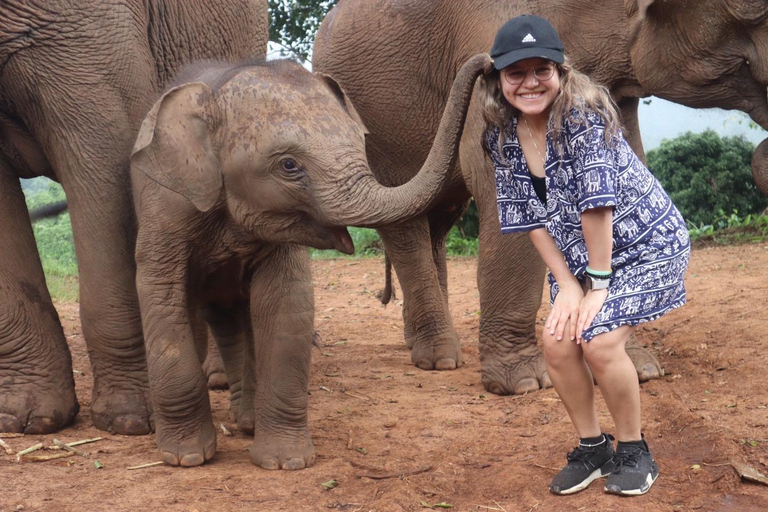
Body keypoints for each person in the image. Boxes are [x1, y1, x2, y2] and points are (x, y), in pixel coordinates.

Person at [479, 15, 690, 496]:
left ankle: (635, 451)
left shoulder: (582, 117)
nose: (530, 82)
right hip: (579, 260)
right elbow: (527, 217)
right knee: (556, 343)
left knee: (596, 340)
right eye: (517, 72)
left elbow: (597, 205)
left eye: (542, 70)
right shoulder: (502, 136)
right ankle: (593, 448)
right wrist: (569, 285)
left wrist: (596, 284)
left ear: (561, 71)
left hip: (645, 247)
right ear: (498, 78)